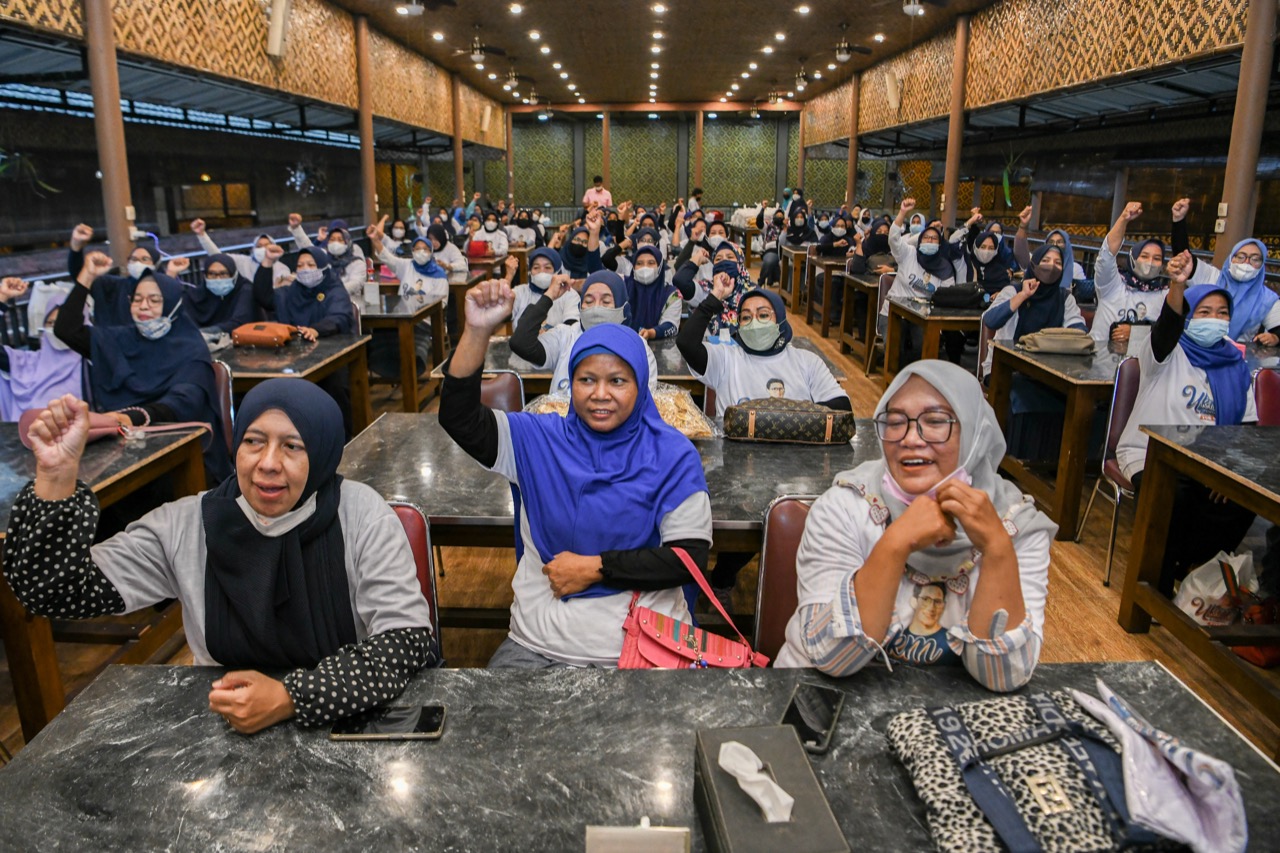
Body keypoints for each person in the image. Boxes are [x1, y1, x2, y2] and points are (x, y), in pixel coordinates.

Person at [3, 380, 437, 733]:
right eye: (253, 441)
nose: (267, 463)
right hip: (225, 724)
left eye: (292, 446)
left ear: (323, 453)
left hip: (348, 721)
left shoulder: (361, 514)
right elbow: (57, 592)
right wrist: (57, 476)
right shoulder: (189, 523)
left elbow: (406, 642)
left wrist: (292, 698)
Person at [441, 281, 711, 668]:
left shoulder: (673, 455)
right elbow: (460, 418)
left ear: (640, 385)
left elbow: (688, 559)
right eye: (587, 380)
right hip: (538, 646)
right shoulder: (537, 439)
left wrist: (596, 568)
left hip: (644, 648)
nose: (600, 393)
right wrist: (477, 332)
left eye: (617, 380)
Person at [775, 360, 1055, 690]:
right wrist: (896, 544)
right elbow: (831, 657)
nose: (910, 438)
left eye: (935, 421)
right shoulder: (847, 505)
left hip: (946, 724)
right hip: (821, 702)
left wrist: (996, 549)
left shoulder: (1015, 524)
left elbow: (1004, 676)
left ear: (974, 433)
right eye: (895, 422)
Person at [1115, 252, 1258, 594]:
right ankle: (1155, 585)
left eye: (1222, 313)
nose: (1215, 319)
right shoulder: (1166, 351)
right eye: (1204, 312)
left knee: (1241, 499)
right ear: (1189, 316)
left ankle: (1195, 570)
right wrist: (1177, 287)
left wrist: (1228, 470)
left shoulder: (1235, 366)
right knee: (1174, 497)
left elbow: (1246, 429)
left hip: (1208, 462)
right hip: (1150, 453)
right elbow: (1167, 325)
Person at [54, 252, 231, 483]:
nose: (143, 306)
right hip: (118, 445)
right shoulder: (122, 338)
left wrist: (131, 417)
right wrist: (86, 277)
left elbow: (184, 401)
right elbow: (66, 330)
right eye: (137, 299)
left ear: (172, 305)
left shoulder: (190, 347)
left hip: (180, 452)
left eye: (155, 300)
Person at [510, 270, 657, 393]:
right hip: (563, 426)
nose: (596, 308)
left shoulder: (639, 347)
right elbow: (521, 343)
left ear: (622, 308)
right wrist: (549, 295)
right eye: (588, 301)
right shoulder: (566, 336)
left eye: (606, 302)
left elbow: (644, 403)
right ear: (580, 307)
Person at [273, 247, 357, 437]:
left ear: (323, 267)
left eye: (311, 265)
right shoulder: (291, 291)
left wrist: (316, 329)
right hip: (296, 352)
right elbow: (264, 298)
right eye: (300, 265)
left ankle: (341, 437)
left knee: (335, 386)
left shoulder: (334, 288)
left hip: (334, 351)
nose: (305, 270)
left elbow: (340, 316)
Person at [884, 199, 960, 364]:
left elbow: (947, 296)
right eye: (926, 238)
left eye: (934, 239)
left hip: (923, 316)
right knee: (894, 347)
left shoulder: (945, 269)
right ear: (919, 241)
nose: (930, 242)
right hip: (894, 312)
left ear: (940, 244)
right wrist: (903, 212)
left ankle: (916, 378)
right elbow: (894, 240)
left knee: (923, 347)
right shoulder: (909, 254)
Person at [0, 280, 84, 422]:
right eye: (50, 323)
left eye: (63, 324)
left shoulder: (92, 363)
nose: (58, 330)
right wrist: (2, 297)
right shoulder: (26, 363)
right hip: (26, 440)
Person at [1089, 202, 1166, 347]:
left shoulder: (1164, 295)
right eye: (1144, 256)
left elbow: (1169, 332)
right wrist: (1124, 218)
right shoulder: (1112, 284)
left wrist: (1136, 333)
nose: (1150, 262)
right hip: (1097, 360)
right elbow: (1106, 255)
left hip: (1139, 365)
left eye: (1156, 259)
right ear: (1132, 259)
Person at [190, 219, 293, 313]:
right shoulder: (242, 261)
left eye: (266, 245)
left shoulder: (282, 268)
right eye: (259, 246)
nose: (263, 249)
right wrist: (202, 235)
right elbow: (218, 257)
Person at [288, 216, 366, 300]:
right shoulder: (324, 257)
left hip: (348, 302)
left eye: (340, 240)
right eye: (332, 239)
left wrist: (331, 290)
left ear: (348, 242)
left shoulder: (357, 263)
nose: (335, 243)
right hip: (323, 303)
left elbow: (356, 283)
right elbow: (308, 247)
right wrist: (296, 228)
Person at [512, 247, 580, 330]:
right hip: (521, 342)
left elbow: (572, 327)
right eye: (536, 267)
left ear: (557, 271)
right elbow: (503, 316)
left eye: (547, 268)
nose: (542, 272)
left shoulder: (569, 294)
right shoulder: (520, 292)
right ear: (530, 272)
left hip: (557, 342)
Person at [187, 253, 256, 335]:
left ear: (233, 275)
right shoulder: (198, 294)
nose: (218, 279)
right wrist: (171, 273)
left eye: (223, 274)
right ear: (205, 276)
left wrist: (208, 332)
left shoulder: (245, 290)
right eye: (212, 274)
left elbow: (240, 322)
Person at [624, 245, 681, 341]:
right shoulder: (623, 288)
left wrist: (651, 333)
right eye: (639, 263)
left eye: (651, 263)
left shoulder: (672, 294)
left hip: (658, 349)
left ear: (659, 267)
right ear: (633, 268)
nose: (645, 267)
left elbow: (671, 326)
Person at [755, 202, 787, 286]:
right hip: (771, 250)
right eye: (777, 215)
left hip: (785, 251)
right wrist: (763, 209)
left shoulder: (787, 227)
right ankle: (760, 282)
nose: (779, 217)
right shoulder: (768, 226)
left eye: (781, 216)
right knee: (769, 261)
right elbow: (759, 222)